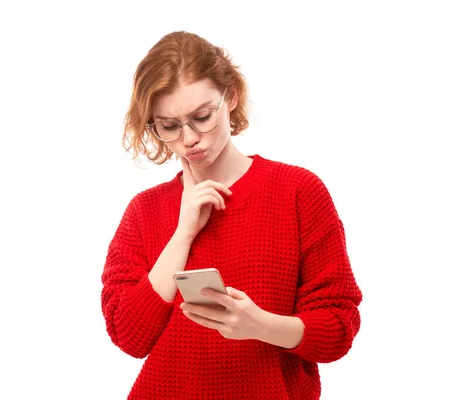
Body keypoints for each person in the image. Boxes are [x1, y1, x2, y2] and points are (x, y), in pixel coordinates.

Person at [100, 31, 362, 400]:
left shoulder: (298, 191)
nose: (189, 138)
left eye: (202, 117)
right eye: (169, 126)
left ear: (232, 97)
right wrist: (183, 234)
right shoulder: (145, 210)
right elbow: (129, 336)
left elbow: (338, 328)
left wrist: (260, 325)